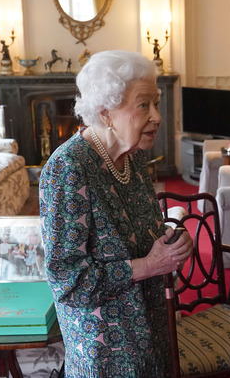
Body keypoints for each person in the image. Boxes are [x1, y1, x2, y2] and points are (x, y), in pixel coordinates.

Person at [40, 50, 193, 377]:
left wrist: (172, 241)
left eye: (156, 103)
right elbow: (69, 283)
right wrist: (150, 265)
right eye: (143, 105)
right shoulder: (68, 169)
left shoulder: (134, 156)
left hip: (151, 327)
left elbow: (143, 231)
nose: (156, 116)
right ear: (105, 112)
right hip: (107, 347)